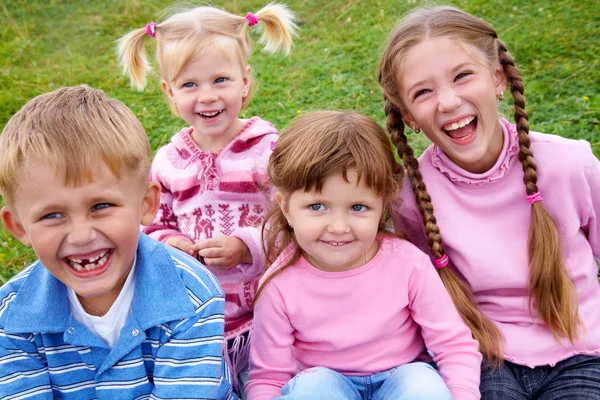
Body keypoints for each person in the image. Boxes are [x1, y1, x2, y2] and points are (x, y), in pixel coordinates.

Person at [379, 5, 600, 399]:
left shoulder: (569, 165)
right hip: (482, 355)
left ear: (498, 78)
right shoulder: (411, 198)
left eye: (462, 76)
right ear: (408, 115)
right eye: (423, 92)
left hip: (583, 349)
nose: (447, 101)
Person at [0, 86, 237, 399]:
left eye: (101, 206)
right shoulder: (12, 316)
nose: (81, 235)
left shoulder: (191, 295)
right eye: (52, 215)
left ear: (147, 204)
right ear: (18, 226)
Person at [117, 3, 297, 394]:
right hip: (198, 319)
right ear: (169, 92)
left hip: (268, 314)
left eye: (221, 80)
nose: (207, 97)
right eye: (190, 85)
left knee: (271, 386)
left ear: (245, 82)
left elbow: (296, 220)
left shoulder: (267, 150)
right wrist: (173, 244)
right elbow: (152, 223)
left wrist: (246, 246)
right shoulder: (168, 162)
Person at [245, 111, 482, 400]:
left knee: (423, 384)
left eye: (358, 207)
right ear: (285, 207)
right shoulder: (278, 285)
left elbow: (453, 345)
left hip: (401, 377)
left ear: (382, 205)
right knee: (313, 387)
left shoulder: (408, 265)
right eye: (317, 207)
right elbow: (268, 377)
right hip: (327, 385)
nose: (338, 227)